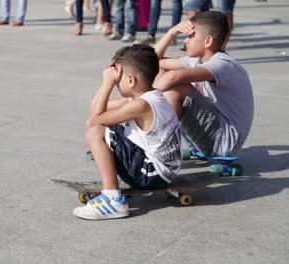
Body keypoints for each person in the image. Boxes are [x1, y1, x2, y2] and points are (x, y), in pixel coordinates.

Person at [73, 44, 182, 220]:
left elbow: (95, 119)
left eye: (118, 79)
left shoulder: (141, 105)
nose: (116, 82)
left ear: (131, 80)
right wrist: (110, 83)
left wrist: (107, 82)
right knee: (101, 126)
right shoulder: (148, 96)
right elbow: (95, 109)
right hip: (162, 170)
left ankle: (113, 199)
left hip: (151, 174)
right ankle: (111, 190)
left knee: (96, 131)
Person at [153, 11, 254, 157]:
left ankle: (161, 153)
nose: (186, 41)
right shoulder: (196, 60)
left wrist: (140, 103)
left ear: (208, 41)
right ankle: (159, 142)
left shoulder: (223, 64)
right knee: (162, 73)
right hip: (211, 134)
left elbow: (173, 77)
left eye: (190, 36)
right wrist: (171, 33)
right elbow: (153, 63)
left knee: (176, 89)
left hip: (223, 141)